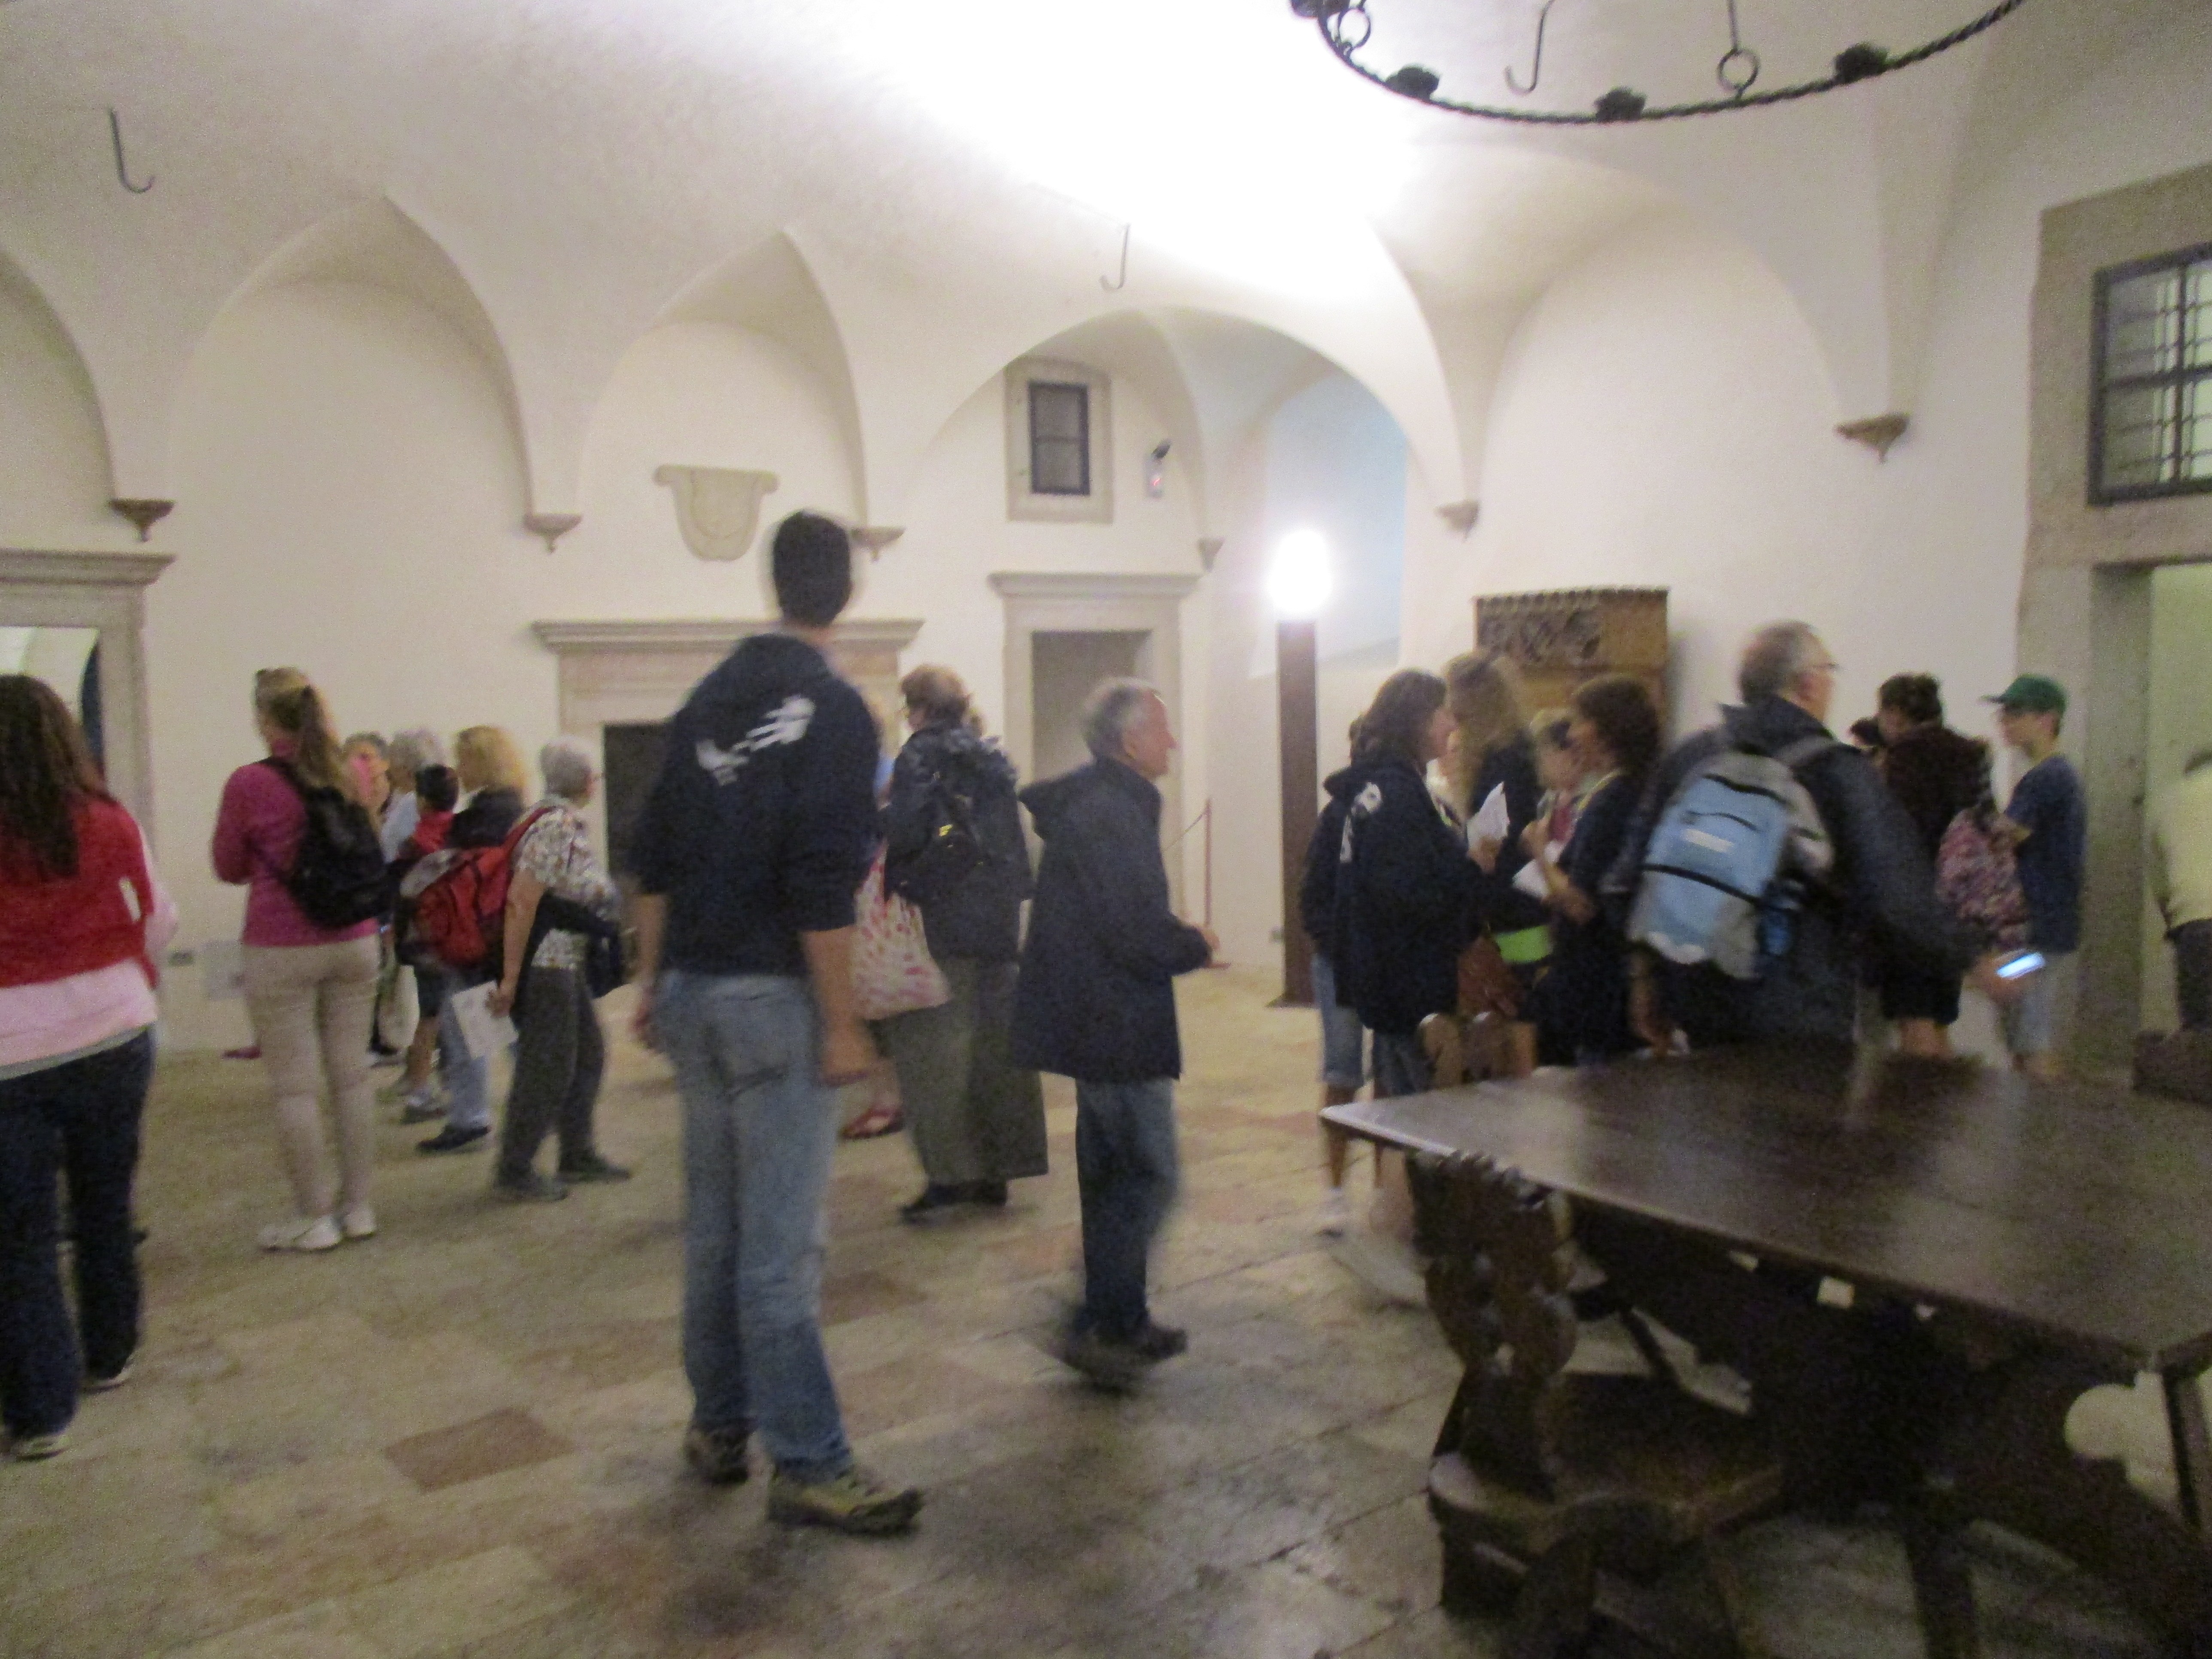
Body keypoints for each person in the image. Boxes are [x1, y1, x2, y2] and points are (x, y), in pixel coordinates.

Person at [630, 510, 921, 1534]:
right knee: (781, 1251)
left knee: (716, 1231)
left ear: (771, 584)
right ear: (846, 592)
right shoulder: (837, 712)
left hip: (694, 989)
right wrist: (843, 1024)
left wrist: (651, 983)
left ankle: (720, 1425)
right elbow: (818, 878)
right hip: (773, 998)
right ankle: (808, 1459)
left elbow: (652, 855)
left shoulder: (706, 700)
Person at [1609, 623, 1983, 1051]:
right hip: (1798, 1005)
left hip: (1697, 993)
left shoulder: (1691, 756)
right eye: (1829, 671)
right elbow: (1895, 893)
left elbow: (1628, 877)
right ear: (1808, 684)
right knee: (1801, 1097)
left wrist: (1644, 978)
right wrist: (1972, 956)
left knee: (1711, 1094)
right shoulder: (1836, 771)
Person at [1013, 678, 1217, 1389]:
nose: (1173, 742)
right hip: (1113, 1023)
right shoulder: (1110, 812)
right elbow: (1131, 932)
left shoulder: (1103, 804)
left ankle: (1120, 1318)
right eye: (1162, 729)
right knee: (1151, 1176)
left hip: (1095, 1018)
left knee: (1112, 1178)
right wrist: (1192, 943)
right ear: (1131, 742)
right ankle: (1096, 1319)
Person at [0, 677, 175, 1460]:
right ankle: (110, 1351)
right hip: (113, 1032)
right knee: (106, 1202)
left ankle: (41, 1410)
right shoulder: (108, 820)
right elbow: (158, 919)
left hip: (10, 1052)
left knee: (21, 1233)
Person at [212, 668, 383, 1251]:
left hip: (281, 943)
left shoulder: (249, 782)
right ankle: (358, 1208)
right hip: (355, 936)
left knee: (294, 1088)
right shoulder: (353, 770)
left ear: (265, 719)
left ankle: (314, 1217)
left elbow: (228, 865)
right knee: (352, 1076)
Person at [878, 666, 1046, 1222]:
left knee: (934, 1054)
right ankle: (999, 1170)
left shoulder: (919, 757)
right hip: (997, 921)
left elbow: (907, 835)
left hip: (943, 918)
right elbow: (1014, 845)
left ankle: (950, 1176)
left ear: (919, 708)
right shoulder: (991, 757)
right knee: (996, 1050)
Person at [485, 738, 626, 1199]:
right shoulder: (555, 826)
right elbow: (522, 900)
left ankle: (576, 1152)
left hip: (566, 958)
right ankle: (515, 1168)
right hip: (549, 960)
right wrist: (510, 977)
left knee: (587, 1053)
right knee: (547, 1065)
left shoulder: (551, 819)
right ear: (584, 780)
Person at [1522, 675, 1662, 1063]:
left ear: (1603, 730)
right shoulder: (1645, 786)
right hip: (1620, 972)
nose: (1571, 735)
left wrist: (1540, 854)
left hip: (1599, 980)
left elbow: (1582, 904)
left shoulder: (1610, 800)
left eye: (1579, 721)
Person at [416, 728, 529, 1153]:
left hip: (473, 938)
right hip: (509, 934)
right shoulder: (521, 812)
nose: (458, 770)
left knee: (468, 1027)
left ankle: (471, 1118)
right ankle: (523, 1112)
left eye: (463, 759)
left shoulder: (473, 822)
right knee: (504, 1026)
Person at [1871, 674, 1992, 1057]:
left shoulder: (1905, 756)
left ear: (1894, 713)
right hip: (1959, 902)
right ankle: (1946, 1092)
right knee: (1939, 1017)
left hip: (1917, 903)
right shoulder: (1970, 752)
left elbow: (1896, 834)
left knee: (1915, 1018)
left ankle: (1920, 1094)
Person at [1990, 674, 2086, 1077]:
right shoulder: (2062, 776)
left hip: (2035, 929)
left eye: (2016, 713)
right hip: (2050, 925)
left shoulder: (2045, 778)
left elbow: (2008, 835)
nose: (2005, 722)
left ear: (2047, 720)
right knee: (2024, 1032)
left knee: (2030, 1034)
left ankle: (2045, 1112)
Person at [1442, 651, 1550, 992]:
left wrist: (1474, 921)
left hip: (1516, 911)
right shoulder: (1520, 751)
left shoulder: (1503, 765)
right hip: (1525, 904)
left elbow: (1495, 849)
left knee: (1519, 1001)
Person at [1299, 718, 1368, 1237]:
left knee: (1395, 1074)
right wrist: (1335, 941)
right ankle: (1336, 1191)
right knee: (1342, 1072)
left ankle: (1391, 1190)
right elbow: (1313, 893)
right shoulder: (1338, 814)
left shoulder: (1416, 802)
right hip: (1342, 959)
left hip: (1385, 960)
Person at [387, 760, 459, 1120]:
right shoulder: (464, 838)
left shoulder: (414, 845)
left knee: (430, 1015)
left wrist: (397, 937)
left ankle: (419, 1090)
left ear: (422, 802)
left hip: (425, 942)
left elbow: (399, 896)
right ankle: (461, 1087)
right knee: (466, 1009)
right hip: (463, 937)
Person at [2151, 748, 2212, 1032]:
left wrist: (2175, 923)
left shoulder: (2168, 802)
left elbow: (2160, 882)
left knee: (2201, 1030)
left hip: (2194, 924)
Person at [379, 728, 447, 862]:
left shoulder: (412, 804)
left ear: (404, 768)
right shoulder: (399, 798)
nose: (388, 769)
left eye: (391, 761)